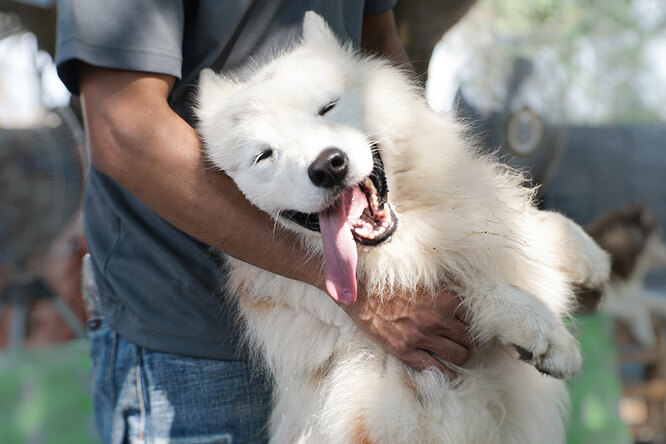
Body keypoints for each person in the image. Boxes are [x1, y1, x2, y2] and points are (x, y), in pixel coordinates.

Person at [55, 1, 472, 442]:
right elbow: (126, 131)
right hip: (193, 346)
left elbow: (377, 43)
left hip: (376, 331)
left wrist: (461, 216)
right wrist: (361, 292)